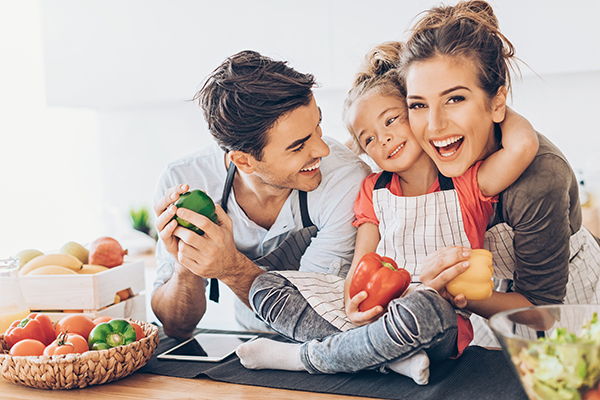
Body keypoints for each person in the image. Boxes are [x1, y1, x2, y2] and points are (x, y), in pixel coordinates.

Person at [237, 36, 537, 384]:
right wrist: (352, 301)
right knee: (264, 287)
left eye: (391, 120)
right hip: (378, 314)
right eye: (368, 138)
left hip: (438, 318)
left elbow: (523, 146)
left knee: (424, 308)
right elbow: (360, 262)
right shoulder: (373, 189)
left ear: (415, 112)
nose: (383, 139)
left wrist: (493, 103)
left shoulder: (467, 181)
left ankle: (310, 357)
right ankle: (390, 359)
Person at [151, 50, 371, 340]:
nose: (322, 150)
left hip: (328, 343)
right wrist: (186, 262)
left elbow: (314, 317)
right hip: (247, 344)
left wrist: (230, 268)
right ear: (244, 161)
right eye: (298, 146)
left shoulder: (345, 180)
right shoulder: (185, 180)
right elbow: (176, 327)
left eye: (317, 125)